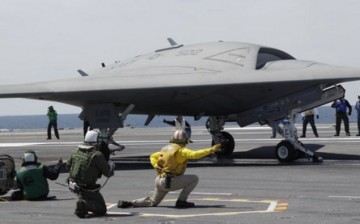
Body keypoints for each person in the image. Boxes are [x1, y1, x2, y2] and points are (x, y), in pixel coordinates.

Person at [117, 130, 221, 209]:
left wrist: (155, 166)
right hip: (170, 182)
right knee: (194, 178)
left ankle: (130, 203)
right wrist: (211, 149)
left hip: (159, 180)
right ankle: (181, 201)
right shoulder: (181, 151)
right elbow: (195, 155)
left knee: (152, 202)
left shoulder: (166, 149)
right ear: (185, 141)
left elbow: (152, 156)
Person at [66, 130, 114, 218]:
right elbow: (108, 173)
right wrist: (111, 166)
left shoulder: (75, 151)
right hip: (88, 187)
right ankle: (84, 204)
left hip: (74, 185)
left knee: (90, 196)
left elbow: (68, 166)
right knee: (102, 209)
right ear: (97, 141)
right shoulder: (96, 155)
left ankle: (82, 200)